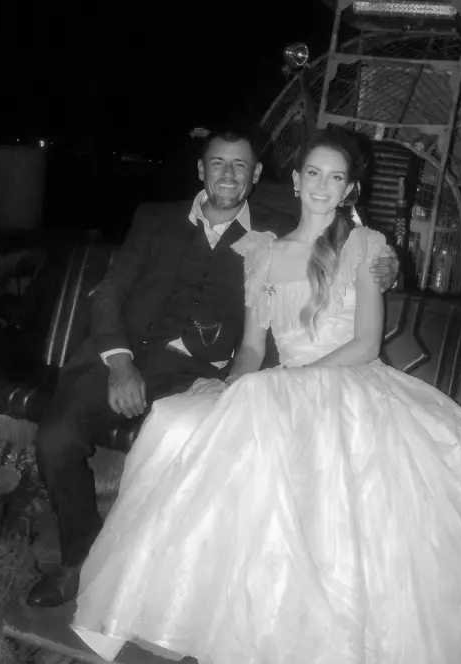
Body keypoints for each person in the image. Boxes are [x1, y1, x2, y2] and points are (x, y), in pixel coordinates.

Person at [72, 127, 461, 664]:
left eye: (337, 178)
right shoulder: (262, 253)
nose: (323, 187)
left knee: (350, 484)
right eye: (313, 174)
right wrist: (232, 387)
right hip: (281, 385)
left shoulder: (364, 245)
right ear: (296, 180)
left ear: (350, 188)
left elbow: (364, 344)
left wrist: (288, 385)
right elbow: (252, 347)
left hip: (347, 384)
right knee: (174, 423)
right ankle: (189, 619)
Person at [29, 126, 399, 607]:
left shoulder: (274, 223)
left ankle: (165, 568)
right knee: (56, 437)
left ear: (258, 175)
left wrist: (389, 265)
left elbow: (342, 231)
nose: (228, 173)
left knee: (181, 436)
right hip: (132, 360)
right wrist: (121, 364)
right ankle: (80, 559)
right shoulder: (155, 219)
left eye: (240, 165)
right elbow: (110, 294)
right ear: (200, 169)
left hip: (201, 373)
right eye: (218, 163)